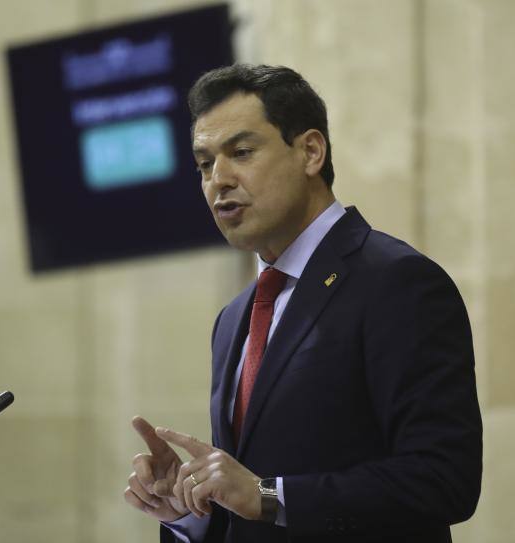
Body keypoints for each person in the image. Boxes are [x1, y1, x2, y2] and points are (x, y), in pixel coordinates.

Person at [123, 64, 482, 542]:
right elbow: (250, 502)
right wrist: (192, 508)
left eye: (242, 152)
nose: (219, 180)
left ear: (311, 151)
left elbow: (445, 480)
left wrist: (269, 495)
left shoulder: (396, 282)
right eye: (204, 164)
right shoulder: (234, 319)